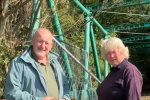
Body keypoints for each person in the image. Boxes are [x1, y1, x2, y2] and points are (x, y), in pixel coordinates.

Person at [4, 28, 70, 100]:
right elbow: (11, 93)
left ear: (51, 46)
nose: (43, 46)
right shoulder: (18, 63)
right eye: (40, 41)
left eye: (47, 43)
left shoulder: (55, 63)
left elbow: (65, 86)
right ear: (33, 41)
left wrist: (65, 98)